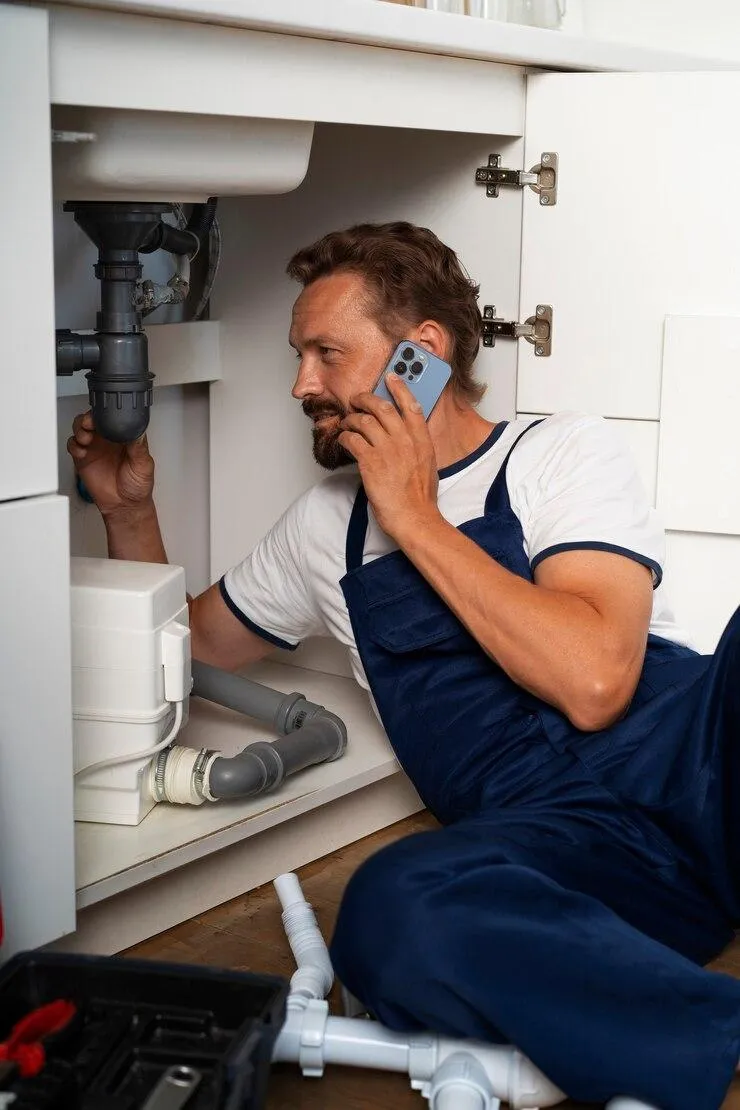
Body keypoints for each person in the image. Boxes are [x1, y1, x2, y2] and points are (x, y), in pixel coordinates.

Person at [68, 222, 740, 1110]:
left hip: (693, 757)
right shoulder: (323, 528)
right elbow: (174, 654)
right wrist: (128, 513)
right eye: (298, 357)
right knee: (393, 908)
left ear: (418, 357)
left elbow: (595, 682)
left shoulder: (558, 451)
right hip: (561, 848)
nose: (301, 384)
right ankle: (710, 1030)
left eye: (326, 353)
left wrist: (416, 516)